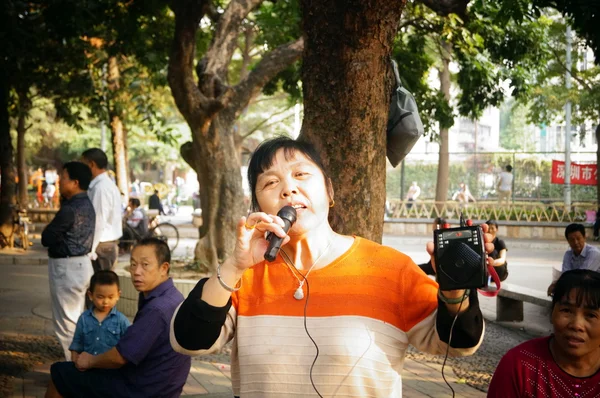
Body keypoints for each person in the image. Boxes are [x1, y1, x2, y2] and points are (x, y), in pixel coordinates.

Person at [170, 137, 491, 397]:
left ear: (329, 191)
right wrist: (234, 267)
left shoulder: (390, 269)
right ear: (258, 205)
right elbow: (189, 341)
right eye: (270, 182)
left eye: (301, 174)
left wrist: (455, 287)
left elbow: (457, 343)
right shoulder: (244, 276)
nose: (288, 188)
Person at [46, 238, 192, 398]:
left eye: (145, 265)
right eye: (133, 264)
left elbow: (120, 357)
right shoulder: (173, 296)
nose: (136, 271)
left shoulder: (157, 309)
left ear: (164, 268)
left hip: (143, 388)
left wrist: (90, 361)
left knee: (60, 374)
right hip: (159, 383)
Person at [488, 269, 600, 397]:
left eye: (591, 315)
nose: (576, 325)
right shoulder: (519, 365)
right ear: (552, 313)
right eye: (567, 311)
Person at [42, 162, 96, 360]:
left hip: (67, 268)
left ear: (75, 182)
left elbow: (47, 237)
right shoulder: (86, 204)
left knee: (67, 326)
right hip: (81, 265)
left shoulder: (70, 209)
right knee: (76, 321)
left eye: (63, 177)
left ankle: (73, 371)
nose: (59, 181)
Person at [69, 270, 131, 362]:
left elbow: (129, 345)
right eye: (100, 297)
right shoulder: (84, 318)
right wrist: (75, 362)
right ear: (90, 295)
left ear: (118, 295)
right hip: (88, 368)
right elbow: (77, 344)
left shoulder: (121, 320)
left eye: (110, 297)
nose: (105, 302)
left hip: (111, 369)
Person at [81, 148, 123, 272]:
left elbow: (98, 221)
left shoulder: (101, 188)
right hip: (103, 245)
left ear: (92, 164)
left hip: (101, 246)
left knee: (102, 288)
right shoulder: (103, 185)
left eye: (83, 164)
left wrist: (91, 250)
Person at [547, 223, 600, 296]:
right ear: (568, 241)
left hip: (594, 289)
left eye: (578, 238)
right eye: (571, 240)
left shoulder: (594, 253)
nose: (575, 242)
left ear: (584, 237)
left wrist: (557, 283)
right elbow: (565, 274)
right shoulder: (568, 254)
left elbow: (582, 275)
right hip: (577, 287)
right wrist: (555, 284)